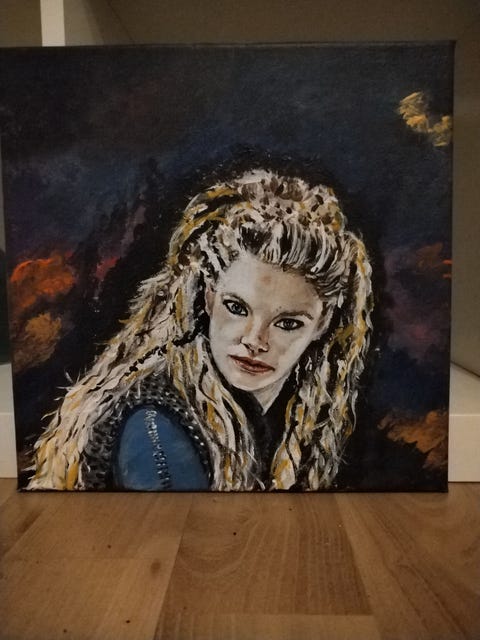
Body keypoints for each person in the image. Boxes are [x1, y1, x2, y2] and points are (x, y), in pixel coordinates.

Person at [28, 169, 373, 492]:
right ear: (208, 297)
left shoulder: (289, 419)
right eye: (236, 308)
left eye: (288, 323)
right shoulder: (156, 421)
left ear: (322, 324)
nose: (254, 340)